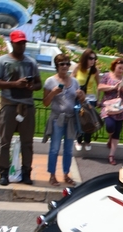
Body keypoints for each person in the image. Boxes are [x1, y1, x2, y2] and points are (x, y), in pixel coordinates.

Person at [0, 30, 41, 186]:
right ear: (12, 43)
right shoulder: (2, 61)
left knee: (27, 142)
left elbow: (39, 84)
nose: (21, 46)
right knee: (5, 142)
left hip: (27, 106)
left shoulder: (31, 62)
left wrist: (32, 86)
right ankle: (3, 172)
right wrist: (14, 84)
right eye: (18, 43)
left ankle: (26, 172)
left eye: (23, 43)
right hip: (9, 106)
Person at [42, 54, 85, 187]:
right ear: (57, 66)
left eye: (67, 64)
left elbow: (80, 101)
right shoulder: (50, 81)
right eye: (62, 64)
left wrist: (82, 96)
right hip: (57, 118)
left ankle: (66, 174)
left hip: (71, 119)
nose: (65, 66)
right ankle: (52, 175)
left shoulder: (75, 82)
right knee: (54, 148)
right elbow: (45, 103)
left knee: (68, 150)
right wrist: (53, 93)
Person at [98, 58, 123, 165]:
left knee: (117, 131)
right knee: (110, 126)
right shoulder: (107, 76)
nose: (121, 70)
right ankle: (110, 137)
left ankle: (111, 155)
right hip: (109, 106)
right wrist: (113, 87)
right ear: (114, 67)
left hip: (121, 108)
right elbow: (100, 87)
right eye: (119, 68)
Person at [72, 49, 100, 151]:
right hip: (78, 98)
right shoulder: (78, 67)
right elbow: (71, 81)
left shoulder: (94, 71)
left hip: (90, 99)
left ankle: (87, 140)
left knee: (89, 121)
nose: (93, 61)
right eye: (91, 58)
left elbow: (98, 85)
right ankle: (78, 140)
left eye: (94, 59)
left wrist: (98, 99)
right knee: (79, 119)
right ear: (85, 58)